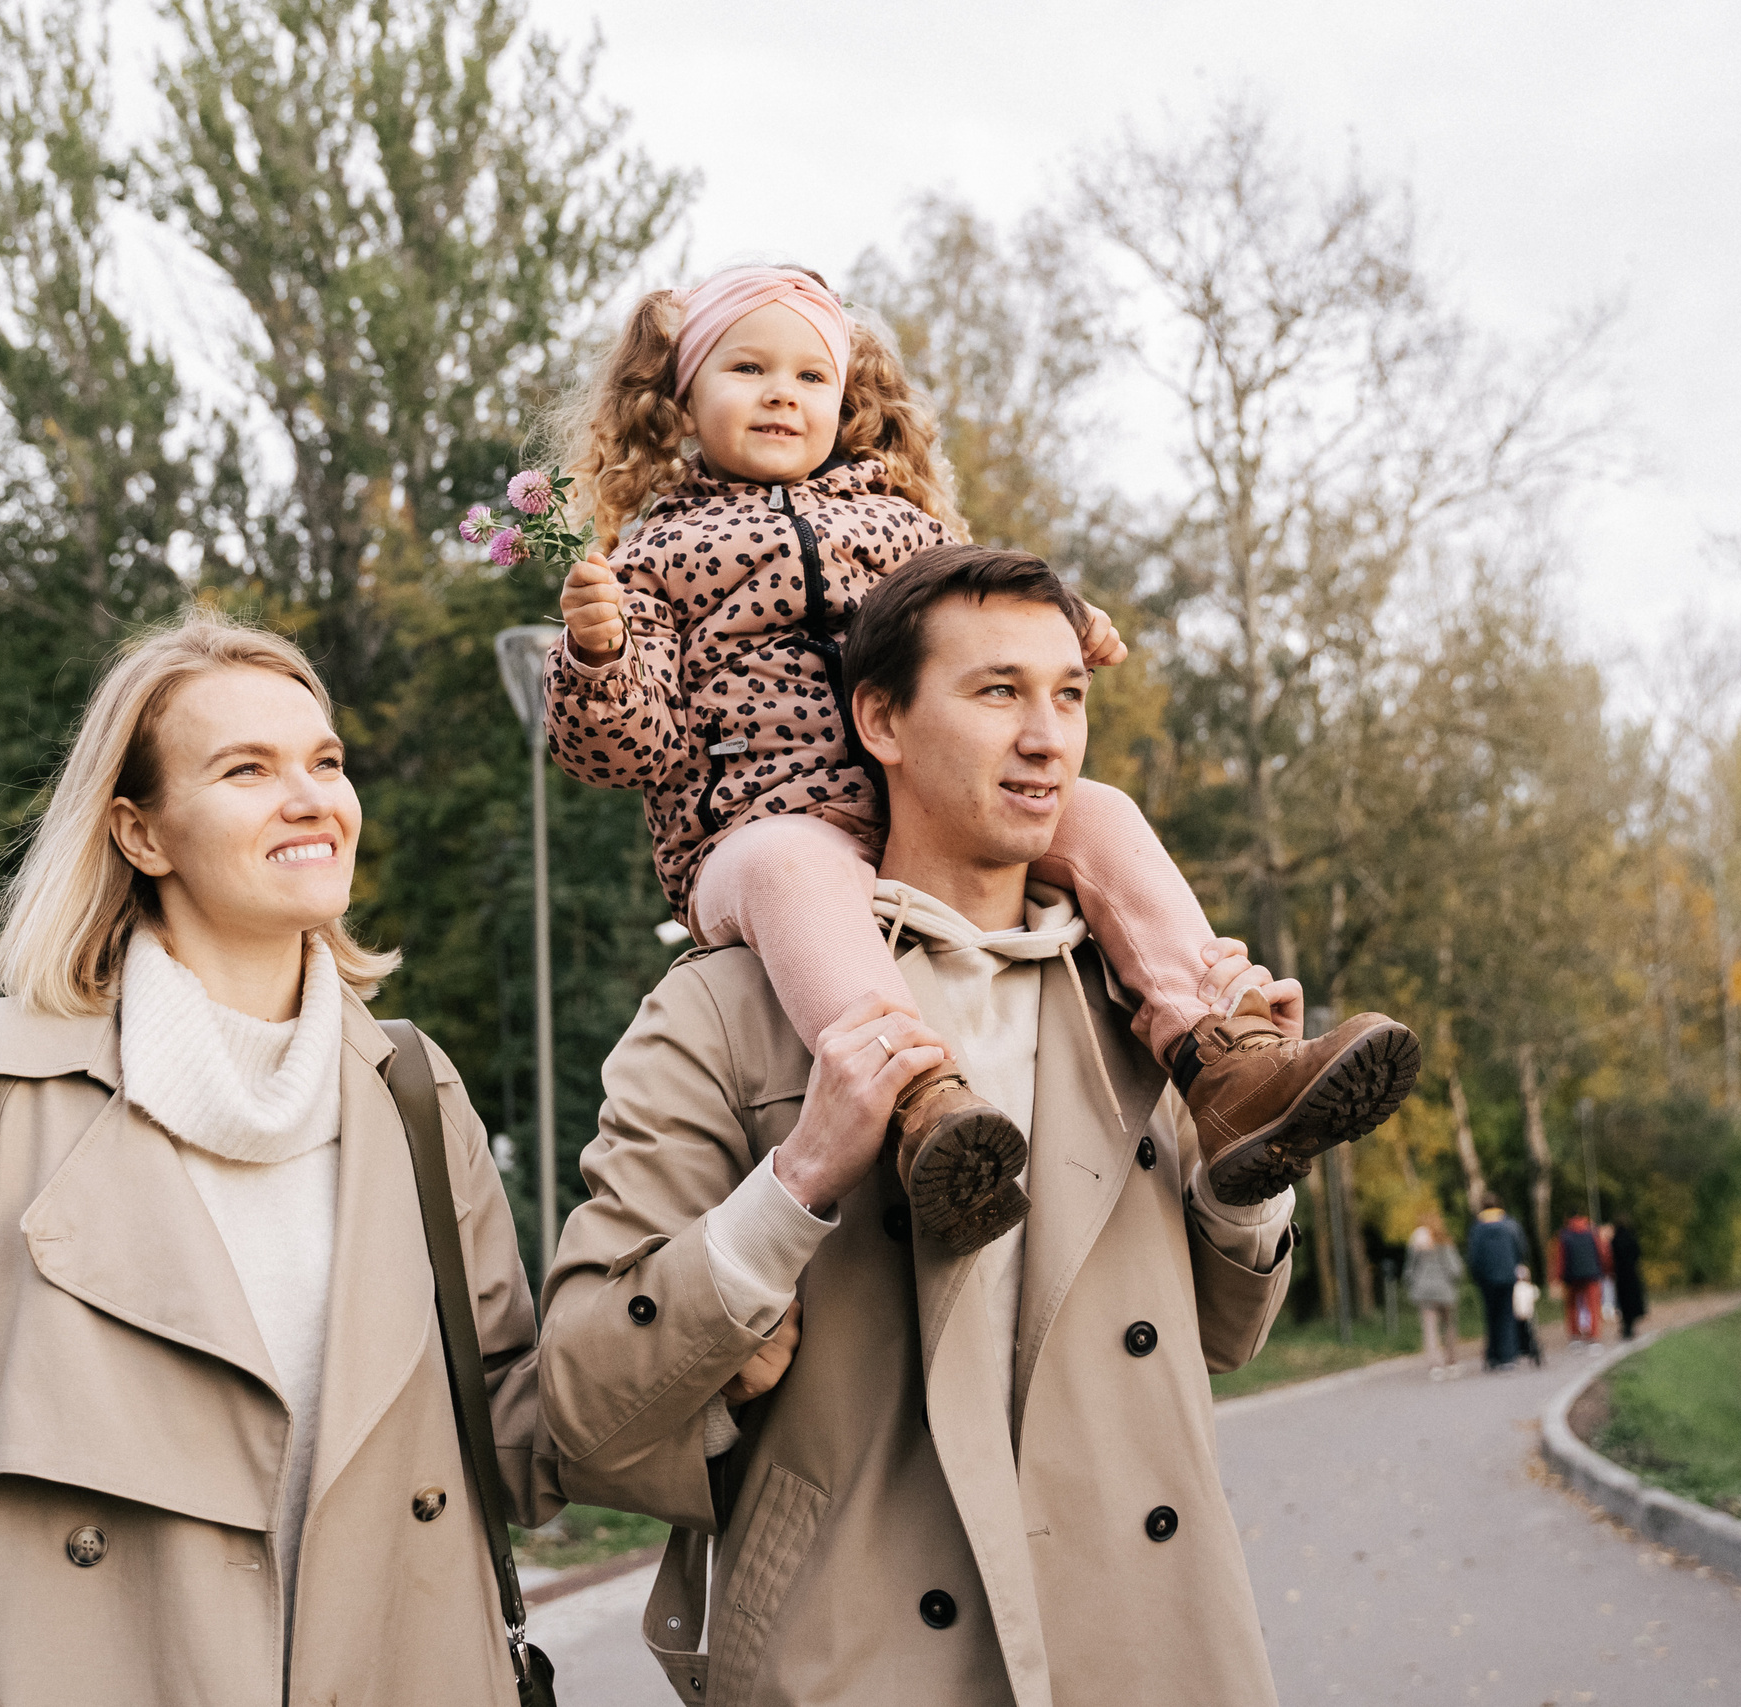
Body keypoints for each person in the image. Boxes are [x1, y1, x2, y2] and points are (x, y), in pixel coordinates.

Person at [0, 611, 786, 1706]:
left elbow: (515, 1437)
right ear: (141, 835)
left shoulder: (415, 1094)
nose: (311, 798)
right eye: (246, 769)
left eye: (325, 762)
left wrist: (705, 1330)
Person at [539, 548, 1307, 1705]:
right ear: (880, 721)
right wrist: (794, 1187)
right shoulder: (725, 1009)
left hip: (1151, 1647)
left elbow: (1220, 1334)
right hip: (856, 1654)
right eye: (998, 691)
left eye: (1069, 694)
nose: (1047, 735)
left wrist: (1260, 1160)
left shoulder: (1147, 1003)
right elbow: (583, 1409)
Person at [545, 264, 1419, 1252]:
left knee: (1098, 811)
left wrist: (1060, 622)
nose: (782, 393)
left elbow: (977, 611)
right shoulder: (652, 555)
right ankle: (921, 1105)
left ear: (846, 400)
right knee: (796, 866)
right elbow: (623, 751)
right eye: (747, 368)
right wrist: (597, 651)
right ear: (683, 397)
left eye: (809, 377)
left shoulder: (898, 526)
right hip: (752, 832)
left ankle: (1224, 1056)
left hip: (918, 801)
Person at [1465, 1202, 1531, 1371]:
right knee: (1507, 1315)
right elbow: (1521, 1248)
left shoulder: (1477, 1228)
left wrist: (1477, 1275)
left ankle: (1493, 1356)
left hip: (1486, 1279)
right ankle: (1508, 1355)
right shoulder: (1510, 1225)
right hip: (1508, 1276)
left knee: (1491, 1315)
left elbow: (1474, 1255)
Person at [1403, 1215, 1465, 1380]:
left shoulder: (1416, 1243)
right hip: (1445, 1291)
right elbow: (1455, 1269)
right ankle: (1451, 1362)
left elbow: (1409, 1269)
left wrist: (1411, 1283)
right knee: (1449, 1327)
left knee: (1430, 1329)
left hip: (1424, 1291)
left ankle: (1435, 1366)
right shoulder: (1445, 1243)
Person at [1554, 1212, 1607, 1347]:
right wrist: (1603, 1270)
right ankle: (1593, 1336)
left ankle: (1575, 1335)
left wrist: (1559, 1276)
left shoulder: (1564, 1234)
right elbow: (1601, 1252)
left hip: (1572, 1276)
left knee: (1572, 1307)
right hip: (1592, 1274)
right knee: (1593, 1306)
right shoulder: (1591, 1232)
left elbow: (1561, 1257)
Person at [1608, 1217, 1649, 1339]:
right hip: (1632, 1273)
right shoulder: (1632, 1238)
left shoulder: (1615, 1240)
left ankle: (1625, 1327)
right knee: (1631, 1301)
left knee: (1623, 1302)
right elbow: (1638, 1254)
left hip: (1620, 1275)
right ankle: (1631, 1326)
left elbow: (1612, 1257)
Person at [1512, 1265, 1547, 1368]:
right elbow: (1536, 1295)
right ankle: (1532, 1349)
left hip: (1517, 1315)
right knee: (1532, 1329)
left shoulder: (1515, 1288)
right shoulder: (1530, 1287)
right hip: (1528, 1315)